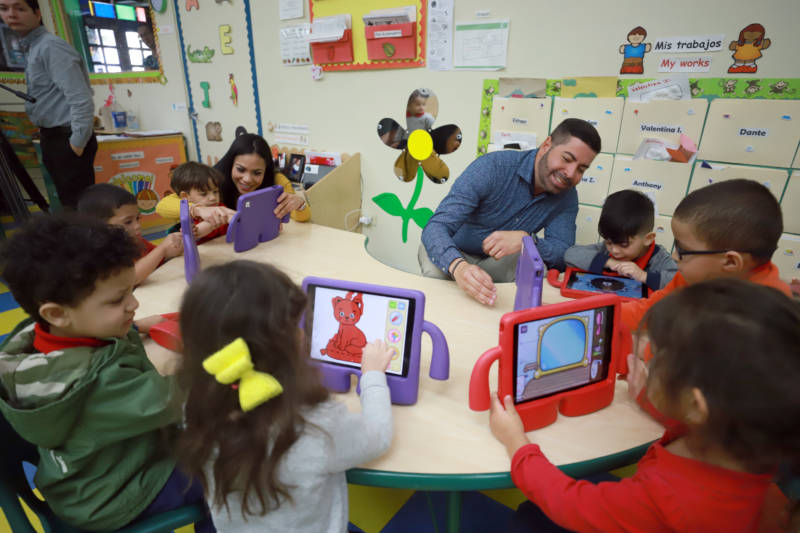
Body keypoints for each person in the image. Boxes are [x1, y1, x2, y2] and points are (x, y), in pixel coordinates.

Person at [490, 279, 800, 532]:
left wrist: (516, 442)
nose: (650, 357)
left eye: (659, 355)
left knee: (530, 517)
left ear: (696, 404)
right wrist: (647, 399)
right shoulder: (754, 446)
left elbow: (569, 503)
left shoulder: (669, 500)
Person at [0, 215, 215, 532]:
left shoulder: (42, 336)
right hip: (114, 495)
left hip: (84, 479)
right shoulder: (97, 384)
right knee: (232, 467)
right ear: (58, 313)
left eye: (130, 291)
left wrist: (137, 325)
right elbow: (184, 400)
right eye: (118, 299)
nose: (134, 304)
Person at [174, 261, 393, 532]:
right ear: (280, 347)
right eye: (295, 326)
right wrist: (372, 375)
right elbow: (378, 435)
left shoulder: (195, 406)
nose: (302, 333)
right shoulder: (316, 423)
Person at [619, 179, 792, 427]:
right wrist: (598, 313)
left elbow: (721, 425)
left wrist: (645, 398)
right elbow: (648, 311)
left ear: (731, 262)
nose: (675, 256)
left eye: (683, 249)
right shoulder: (694, 274)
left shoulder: (761, 323)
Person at [419, 118, 601, 306]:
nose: (571, 173)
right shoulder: (492, 167)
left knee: (539, 269)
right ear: (547, 145)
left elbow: (562, 254)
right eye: (567, 159)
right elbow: (436, 228)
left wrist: (528, 241)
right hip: (454, 253)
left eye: (581, 169)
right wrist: (459, 267)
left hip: (496, 262)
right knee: (437, 282)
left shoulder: (567, 196)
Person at [0, 0, 96, 209]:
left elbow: (81, 98)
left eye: (20, 8)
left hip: (67, 137)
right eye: (4, 9)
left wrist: (76, 143)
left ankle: (84, 242)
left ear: (37, 13)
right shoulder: (34, 48)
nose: (11, 14)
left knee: (80, 208)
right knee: (70, 205)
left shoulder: (50, 47)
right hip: (53, 136)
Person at [155, 130, 311, 226]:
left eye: (257, 173)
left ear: (267, 170)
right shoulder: (212, 182)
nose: (247, 179)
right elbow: (162, 206)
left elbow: (301, 219)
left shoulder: (277, 182)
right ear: (230, 163)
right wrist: (198, 210)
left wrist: (300, 205)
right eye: (240, 169)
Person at [564, 189, 677, 290]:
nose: (614, 250)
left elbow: (681, 282)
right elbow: (571, 254)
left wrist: (643, 276)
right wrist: (609, 262)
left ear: (648, 239)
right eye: (608, 242)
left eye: (624, 244)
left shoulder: (659, 259)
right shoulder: (606, 249)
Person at [78, 183, 183, 285]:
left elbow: (157, 258)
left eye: (137, 218)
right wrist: (162, 249)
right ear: (99, 226)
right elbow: (130, 278)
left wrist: (173, 248)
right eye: (128, 222)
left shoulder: (136, 241)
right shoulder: (99, 253)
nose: (137, 226)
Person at [164, 161, 229, 243]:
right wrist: (195, 231)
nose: (213, 198)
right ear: (185, 196)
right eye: (204, 194)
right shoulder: (191, 217)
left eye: (215, 191)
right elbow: (198, 231)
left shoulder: (220, 206)